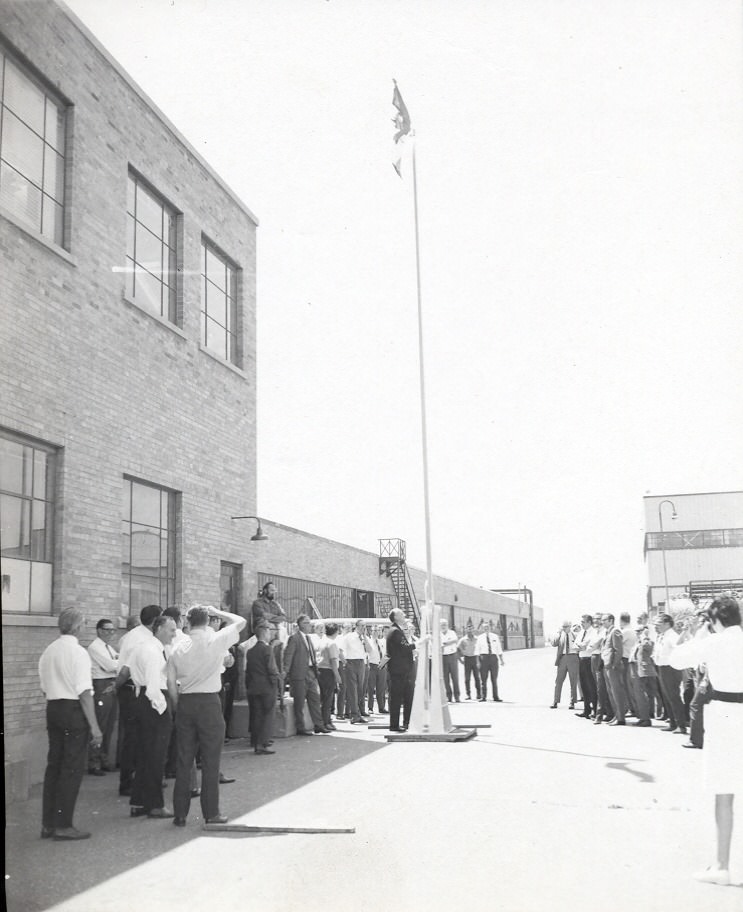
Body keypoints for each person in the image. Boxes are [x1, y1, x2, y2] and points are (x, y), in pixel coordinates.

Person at [670, 595, 743, 885]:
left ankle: (722, 866)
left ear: (714, 620)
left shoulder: (715, 641)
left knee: (724, 792)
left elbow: (675, 660)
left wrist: (693, 634)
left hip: (726, 716)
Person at [167, 604, 246, 827]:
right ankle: (211, 812)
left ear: (188, 622)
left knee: (184, 759)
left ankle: (180, 813)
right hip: (209, 702)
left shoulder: (177, 648)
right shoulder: (216, 640)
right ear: (207, 620)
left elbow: (171, 683)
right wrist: (218, 612)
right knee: (211, 760)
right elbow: (240, 622)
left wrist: (177, 705)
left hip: (186, 701)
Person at [38, 607, 103, 840]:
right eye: (84, 624)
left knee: (54, 766)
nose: (84, 628)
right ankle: (63, 824)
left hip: (53, 707)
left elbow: (44, 686)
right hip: (73, 710)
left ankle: (48, 823)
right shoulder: (78, 652)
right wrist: (95, 727)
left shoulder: (49, 651)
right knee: (71, 768)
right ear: (77, 627)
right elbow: (85, 692)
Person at [128, 615, 177, 818]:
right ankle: (155, 804)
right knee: (156, 756)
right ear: (158, 629)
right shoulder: (153, 651)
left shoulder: (147, 647)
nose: (174, 633)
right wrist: (162, 707)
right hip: (153, 702)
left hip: (143, 701)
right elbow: (153, 686)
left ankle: (139, 802)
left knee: (145, 754)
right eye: (171, 629)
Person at [115, 604, 162, 796]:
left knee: (140, 738)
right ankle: (128, 782)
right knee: (134, 738)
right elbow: (127, 669)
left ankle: (140, 778)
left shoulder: (137, 635)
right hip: (133, 690)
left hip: (136, 688)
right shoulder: (140, 639)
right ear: (154, 621)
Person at [282, 613, 330, 734]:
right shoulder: (294, 638)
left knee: (315, 699)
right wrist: (285, 672)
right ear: (299, 625)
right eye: (306, 623)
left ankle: (318, 725)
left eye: (309, 622)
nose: (309, 625)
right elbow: (288, 656)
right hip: (298, 674)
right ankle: (300, 727)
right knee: (299, 702)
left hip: (310, 673)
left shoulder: (308, 638)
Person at [86, 618, 119, 775]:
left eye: (112, 630)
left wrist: (116, 664)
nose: (110, 633)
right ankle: (94, 762)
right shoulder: (95, 647)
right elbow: (111, 665)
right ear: (99, 630)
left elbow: (116, 663)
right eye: (107, 630)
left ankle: (104, 758)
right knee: (101, 723)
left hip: (110, 684)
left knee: (109, 724)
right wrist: (117, 664)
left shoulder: (109, 648)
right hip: (100, 685)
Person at [245, 620, 280, 754]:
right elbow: (272, 669)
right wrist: (275, 684)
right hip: (266, 687)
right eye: (270, 631)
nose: (271, 634)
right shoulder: (267, 649)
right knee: (267, 716)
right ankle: (263, 743)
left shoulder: (251, 651)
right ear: (265, 632)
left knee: (256, 715)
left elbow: (247, 672)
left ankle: (256, 741)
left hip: (253, 687)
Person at [654, 613, 687, 735]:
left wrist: (684, 632)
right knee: (667, 696)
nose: (656, 626)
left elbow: (678, 644)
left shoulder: (672, 635)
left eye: (659, 624)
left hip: (670, 668)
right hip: (662, 667)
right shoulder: (662, 636)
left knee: (673, 696)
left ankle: (681, 725)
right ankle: (673, 723)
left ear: (667, 624)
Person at [386, 608, 416, 732]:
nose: (404, 615)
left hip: (403, 670)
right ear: (396, 617)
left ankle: (406, 722)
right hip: (398, 671)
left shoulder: (398, 630)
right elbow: (405, 648)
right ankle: (395, 725)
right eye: (401, 613)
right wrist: (418, 644)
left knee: (407, 697)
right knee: (397, 699)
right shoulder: (395, 631)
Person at [341, 619, 370, 723]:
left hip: (361, 663)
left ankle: (357, 713)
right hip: (351, 662)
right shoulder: (349, 636)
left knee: (360, 690)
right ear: (356, 626)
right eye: (361, 626)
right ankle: (354, 715)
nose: (363, 628)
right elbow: (340, 650)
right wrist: (345, 663)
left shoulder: (364, 638)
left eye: (365, 626)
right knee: (352, 690)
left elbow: (370, 650)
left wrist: (365, 637)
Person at [601, 613, 627, 726]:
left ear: (611, 620)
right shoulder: (607, 632)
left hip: (613, 667)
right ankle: (617, 715)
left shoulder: (615, 631)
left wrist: (614, 664)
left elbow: (618, 650)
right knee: (611, 692)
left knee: (617, 692)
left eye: (604, 620)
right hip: (607, 666)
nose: (602, 622)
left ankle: (621, 718)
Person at [317, 623, 342, 729]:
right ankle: (326, 722)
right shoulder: (332, 643)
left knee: (322, 698)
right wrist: (337, 676)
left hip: (320, 671)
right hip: (328, 671)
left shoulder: (321, 642)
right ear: (336, 632)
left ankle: (322, 721)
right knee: (328, 699)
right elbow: (333, 660)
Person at [574, 614, 598, 719]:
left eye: (583, 622)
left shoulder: (593, 632)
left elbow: (589, 646)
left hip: (589, 660)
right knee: (584, 686)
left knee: (591, 686)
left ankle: (595, 710)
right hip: (581, 659)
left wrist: (582, 645)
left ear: (589, 622)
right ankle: (586, 710)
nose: (581, 624)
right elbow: (575, 645)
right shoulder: (581, 633)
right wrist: (581, 645)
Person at [551, 621, 579, 709]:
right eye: (563, 627)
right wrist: (558, 633)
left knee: (573, 681)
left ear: (570, 626)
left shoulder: (575, 635)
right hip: (562, 658)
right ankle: (555, 701)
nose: (564, 628)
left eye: (566, 626)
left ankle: (572, 702)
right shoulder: (560, 635)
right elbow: (554, 644)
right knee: (559, 681)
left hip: (573, 658)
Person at [476, 621, 504, 701]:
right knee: (483, 679)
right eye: (484, 627)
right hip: (483, 658)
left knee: (494, 679)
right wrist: (478, 662)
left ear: (490, 628)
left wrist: (501, 660)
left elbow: (499, 649)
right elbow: (477, 650)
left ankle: (496, 697)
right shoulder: (480, 638)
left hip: (493, 658)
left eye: (487, 627)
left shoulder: (495, 636)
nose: (486, 629)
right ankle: (483, 697)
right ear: (482, 629)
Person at [457, 623, 481, 701]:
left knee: (477, 677)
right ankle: (468, 695)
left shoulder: (477, 639)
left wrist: (480, 660)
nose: (470, 630)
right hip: (467, 659)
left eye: (471, 629)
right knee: (467, 678)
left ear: (473, 630)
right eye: (468, 629)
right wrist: (460, 660)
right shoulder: (463, 640)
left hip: (475, 658)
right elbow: (457, 649)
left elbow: (481, 649)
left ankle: (479, 694)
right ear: (466, 630)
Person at [440, 618, 461, 703]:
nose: (443, 626)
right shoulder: (438, 634)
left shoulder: (452, 633)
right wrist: (448, 643)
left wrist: (444, 644)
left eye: (445, 624)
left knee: (455, 677)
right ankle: (449, 696)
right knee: (445, 678)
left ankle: (457, 696)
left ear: (447, 625)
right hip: (443, 657)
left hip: (452, 656)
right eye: (442, 625)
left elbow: (455, 640)